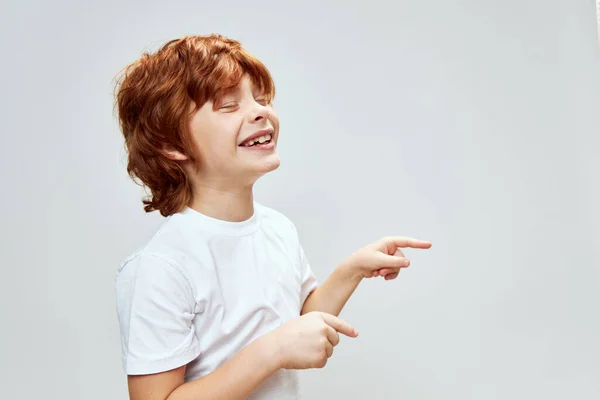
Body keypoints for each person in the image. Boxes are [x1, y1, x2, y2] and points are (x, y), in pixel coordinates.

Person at [113, 34, 432, 400]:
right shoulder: (161, 266)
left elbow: (295, 326)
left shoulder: (278, 229)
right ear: (172, 145)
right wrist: (271, 351)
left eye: (261, 99)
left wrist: (352, 270)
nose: (260, 111)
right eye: (229, 105)